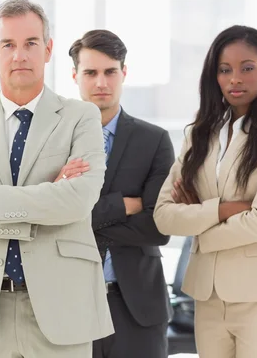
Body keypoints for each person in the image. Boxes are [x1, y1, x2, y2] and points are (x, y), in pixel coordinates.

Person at [0, 0, 114, 358]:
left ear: (47, 49)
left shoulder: (81, 117)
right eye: (8, 45)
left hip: (62, 307)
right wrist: (43, 204)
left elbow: (77, 201)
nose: (19, 55)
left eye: (31, 43)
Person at [154, 25, 257, 358]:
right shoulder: (199, 134)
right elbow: (164, 216)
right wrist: (222, 210)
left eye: (246, 68)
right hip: (208, 298)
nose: (235, 78)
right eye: (225, 70)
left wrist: (199, 228)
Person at [70, 29, 174, 358]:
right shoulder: (54, 142)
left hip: (138, 310)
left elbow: (158, 227)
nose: (101, 82)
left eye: (110, 71)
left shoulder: (154, 140)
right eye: (90, 73)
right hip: (71, 307)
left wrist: (81, 219)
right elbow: (46, 219)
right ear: (75, 76)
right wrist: (123, 205)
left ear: (123, 73)